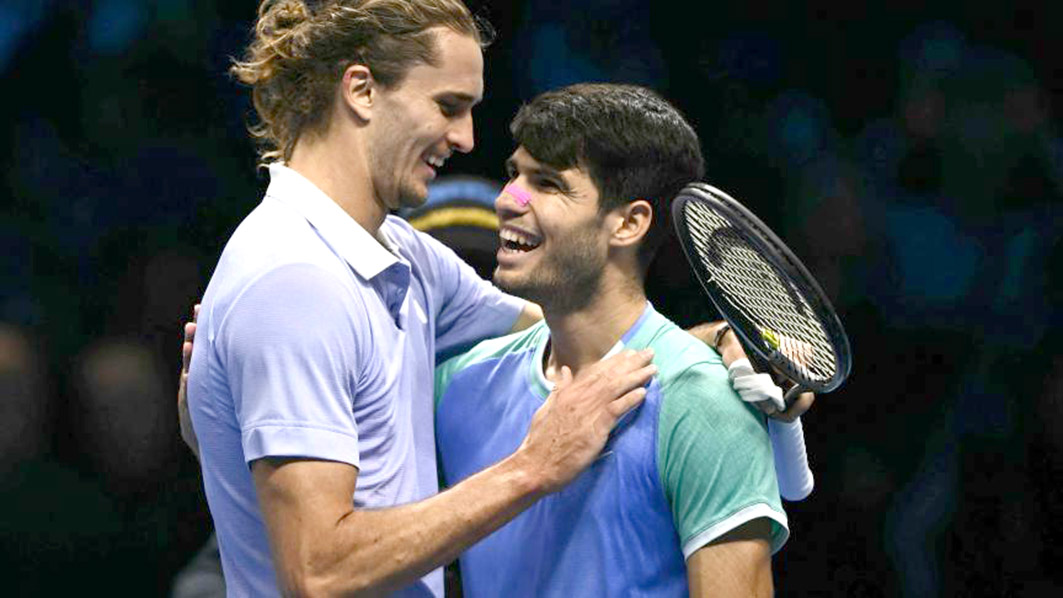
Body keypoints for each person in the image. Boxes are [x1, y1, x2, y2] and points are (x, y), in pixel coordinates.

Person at [185, 1, 658, 596]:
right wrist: (532, 467)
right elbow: (319, 570)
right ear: (361, 91)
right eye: (448, 106)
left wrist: (712, 345)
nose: (465, 138)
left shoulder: (401, 253)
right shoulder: (294, 281)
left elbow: (578, 330)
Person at [434, 83, 788, 596]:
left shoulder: (702, 402)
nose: (508, 200)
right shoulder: (459, 384)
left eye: (548, 183)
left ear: (628, 223)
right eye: (514, 174)